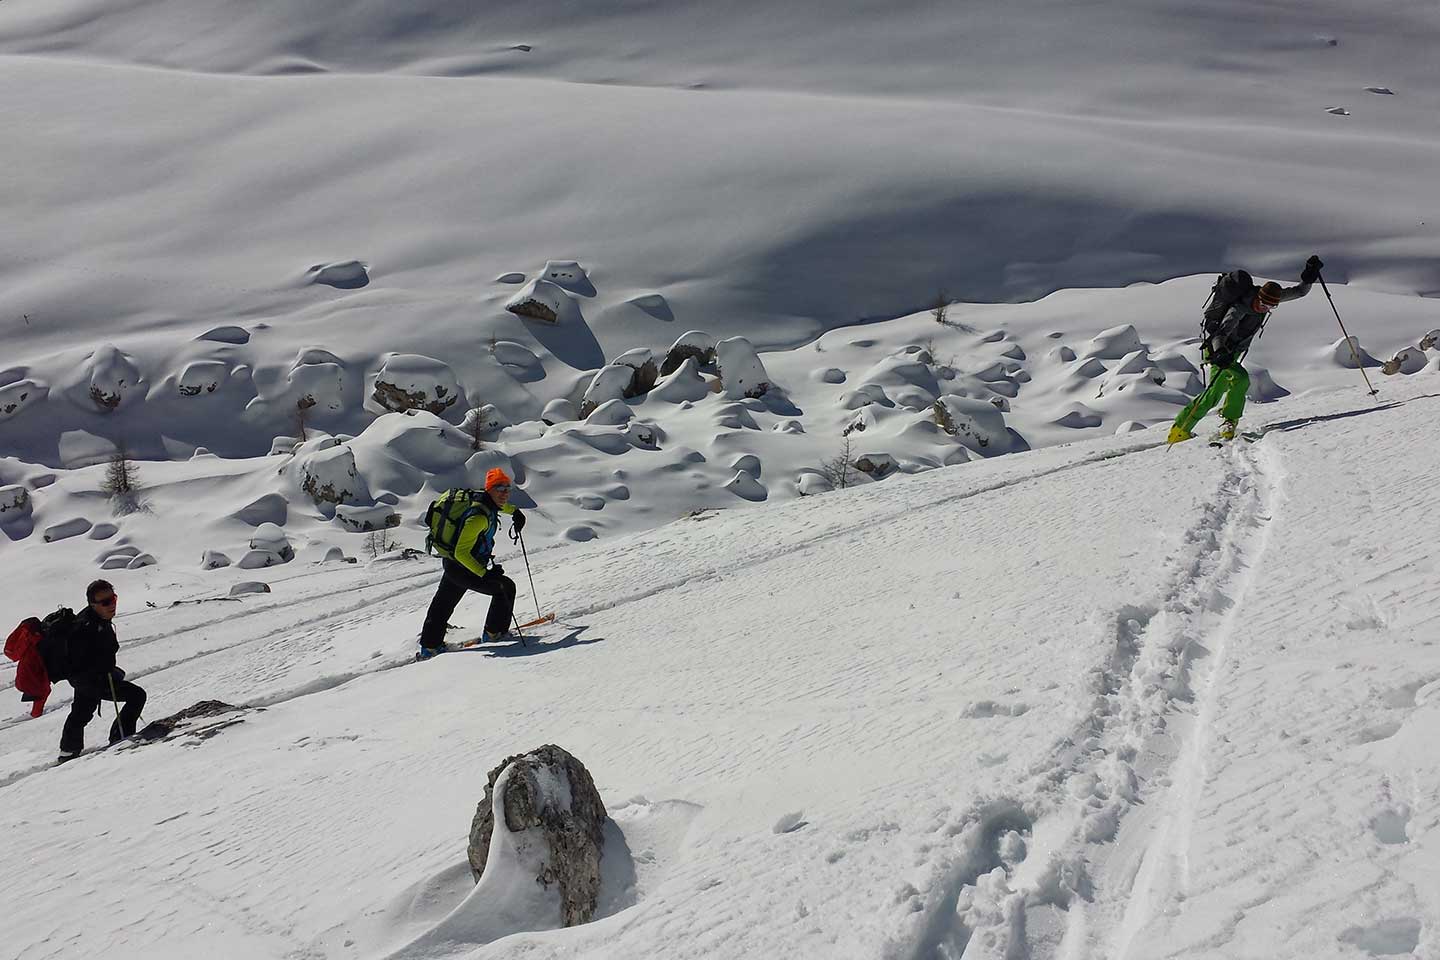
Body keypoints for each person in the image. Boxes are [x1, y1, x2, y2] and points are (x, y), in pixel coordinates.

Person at [1168, 255, 1323, 444]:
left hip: (1232, 352)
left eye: (1270, 306)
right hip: (1219, 351)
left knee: (1224, 387)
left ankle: (1216, 423)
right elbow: (1219, 334)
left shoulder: (1269, 298)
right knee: (1229, 385)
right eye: (1264, 304)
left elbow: (1299, 292)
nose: (1265, 309)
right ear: (1259, 297)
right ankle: (1182, 430)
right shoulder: (1238, 309)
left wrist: (1309, 275)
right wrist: (1219, 354)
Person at [418, 468, 527, 657]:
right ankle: (494, 634)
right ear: (489, 489)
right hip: (463, 566)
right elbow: (462, 552)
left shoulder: (484, 501)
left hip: (452, 564)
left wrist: (515, 511)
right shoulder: (478, 517)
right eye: (499, 488)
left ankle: (430, 646)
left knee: (442, 604)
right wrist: (486, 574)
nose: (505, 493)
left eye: (507, 488)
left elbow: (501, 506)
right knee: (505, 588)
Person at [53, 579, 147, 763]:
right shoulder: (85, 627)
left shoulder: (97, 621)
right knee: (136, 695)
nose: (111, 605)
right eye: (105, 602)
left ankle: (68, 751)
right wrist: (102, 673)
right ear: (93, 604)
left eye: (113, 599)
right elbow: (79, 661)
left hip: (90, 679)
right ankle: (120, 738)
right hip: (92, 679)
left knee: (81, 712)